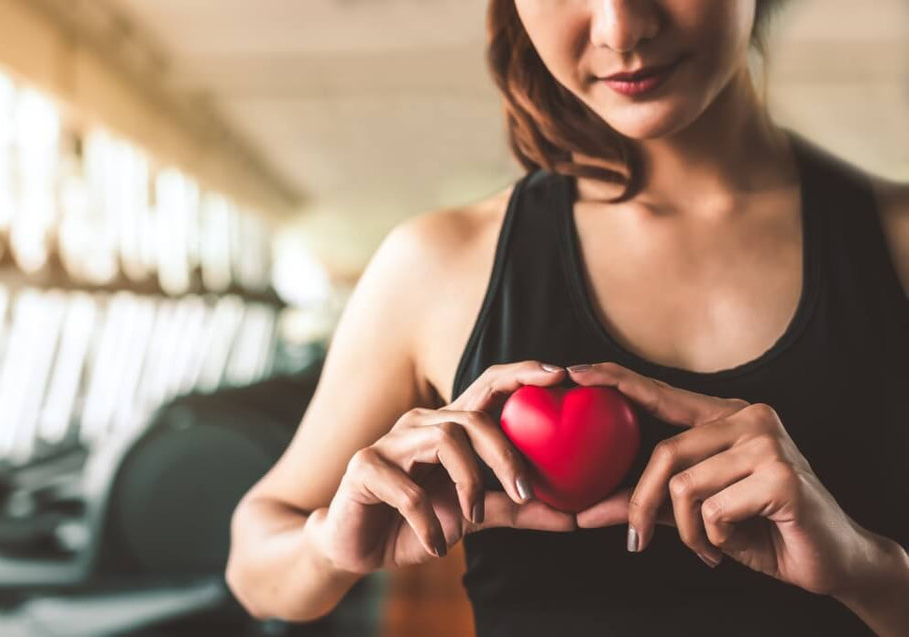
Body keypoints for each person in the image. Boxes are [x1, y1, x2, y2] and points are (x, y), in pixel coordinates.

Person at [225, 1, 909, 634]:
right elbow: (255, 559)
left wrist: (869, 569)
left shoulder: (897, 245)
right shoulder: (439, 264)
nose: (620, 29)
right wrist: (326, 547)